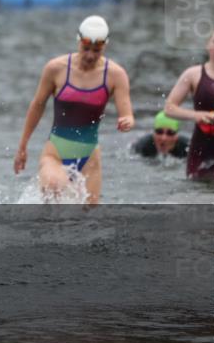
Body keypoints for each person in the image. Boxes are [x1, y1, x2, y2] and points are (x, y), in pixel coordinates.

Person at [14, 16, 134, 204]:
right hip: (55, 153)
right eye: (86, 49)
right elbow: (37, 105)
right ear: (78, 41)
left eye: (97, 50)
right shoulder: (56, 68)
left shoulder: (115, 75)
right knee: (55, 187)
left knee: (88, 221)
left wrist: (127, 121)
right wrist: (22, 146)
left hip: (90, 160)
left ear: (105, 46)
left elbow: (127, 113)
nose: (90, 55)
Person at [164, 25, 214, 181]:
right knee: (197, 189)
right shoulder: (193, 74)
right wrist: (196, 115)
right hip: (201, 149)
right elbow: (169, 108)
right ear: (207, 46)